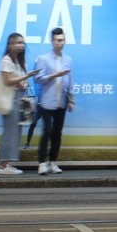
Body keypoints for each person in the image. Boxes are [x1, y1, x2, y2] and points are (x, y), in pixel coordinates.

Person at [0, 34, 40, 175]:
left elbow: (21, 81)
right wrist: (26, 77)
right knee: (9, 133)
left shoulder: (20, 61)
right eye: (17, 43)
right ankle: (2, 165)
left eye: (22, 43)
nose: (21, 45)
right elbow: (7, 81)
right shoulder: (5, 60)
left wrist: (23, 82)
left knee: (16, 132)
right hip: (9, 100)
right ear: (9, 45)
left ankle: (7, 163)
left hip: (19, 99)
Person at [34, 27, 74, 175]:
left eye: (62, 40)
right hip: (47, 101)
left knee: (57, 132)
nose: (60, 43)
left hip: (62, 101)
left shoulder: (68, 59)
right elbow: (38, 79)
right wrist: (54, 75)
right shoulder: (44, 59)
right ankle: (41, 163)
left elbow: (70, 80)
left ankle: (53, 162)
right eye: (57, 40)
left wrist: (72, 99)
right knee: (47, 131)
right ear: (52, 41)